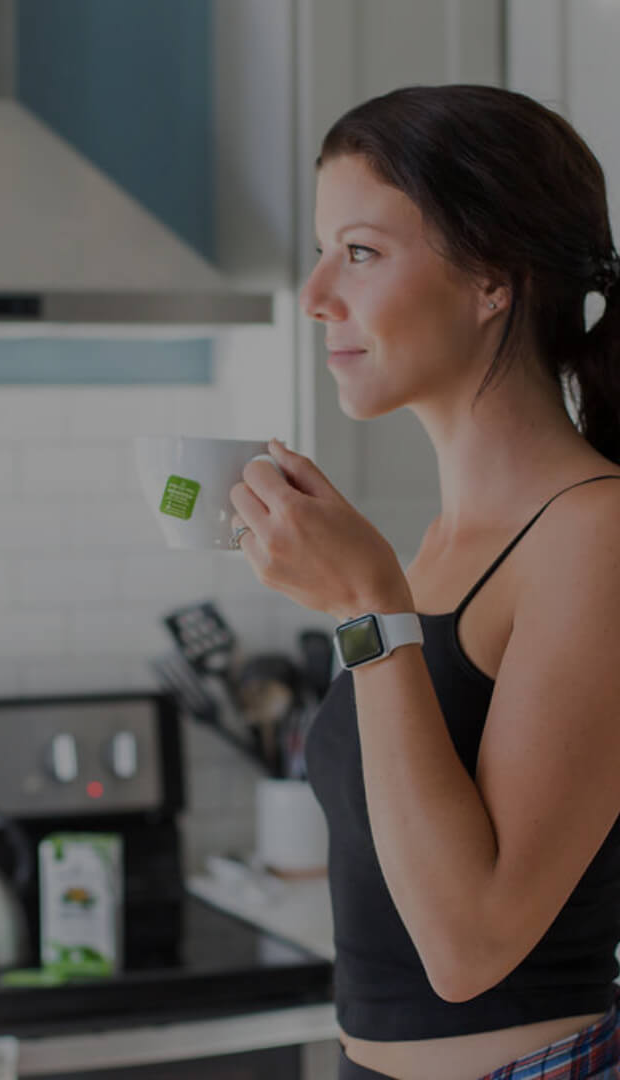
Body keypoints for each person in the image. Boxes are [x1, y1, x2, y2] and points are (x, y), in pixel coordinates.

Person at [228, 84, 620, 1080]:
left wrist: (366, 607)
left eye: (360, 252)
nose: (316, 295)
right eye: (324, 251)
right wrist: (368, 602)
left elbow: (470, 947)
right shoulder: (441, 545)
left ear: (492, 278)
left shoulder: (597, 534)